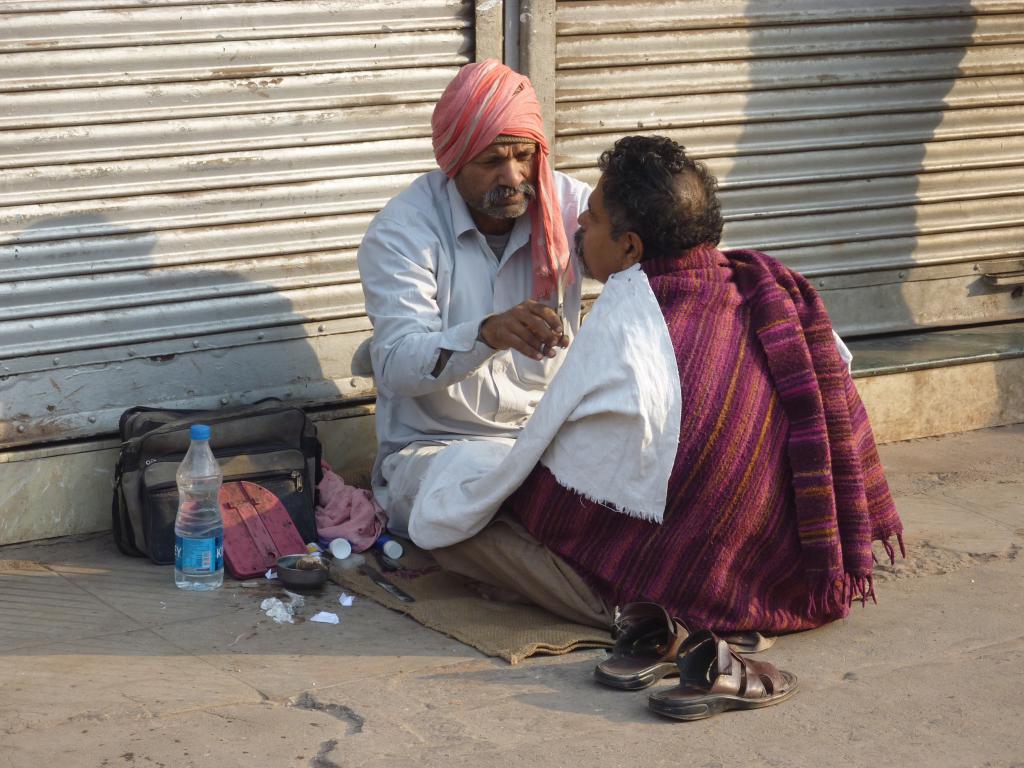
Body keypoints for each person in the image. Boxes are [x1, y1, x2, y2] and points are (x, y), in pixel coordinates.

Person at [430, 135, 904, 633]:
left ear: (630, 246)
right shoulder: (759, 287)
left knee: (455, 522)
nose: (580, 223)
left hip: (688, 571)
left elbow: (551, 489)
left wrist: (485, 497)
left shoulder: (631, 317)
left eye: (592, 215)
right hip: (781, 561)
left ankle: (632, 613)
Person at [356, 59, 590, 539]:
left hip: (547, 443)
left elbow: (647, 247)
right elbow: (399, 363)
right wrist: (487, 333)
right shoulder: (403, 233)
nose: (513, 176)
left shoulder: (570, 209)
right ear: (453, 161)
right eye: (490, 162)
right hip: (439, 452)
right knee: (488, 504)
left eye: (524, 155)